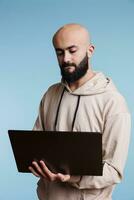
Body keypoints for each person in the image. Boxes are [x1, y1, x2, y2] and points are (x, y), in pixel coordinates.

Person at [29, 23, 131, 200]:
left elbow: (114, 171)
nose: (66, 58)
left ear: (90, 50)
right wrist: (36, 164)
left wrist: (72, 177)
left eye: (72, 50)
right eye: (59, 52)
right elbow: (37, 147)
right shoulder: (51, 94)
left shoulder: (113, 102)